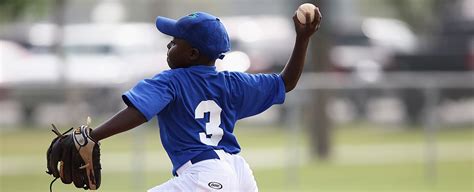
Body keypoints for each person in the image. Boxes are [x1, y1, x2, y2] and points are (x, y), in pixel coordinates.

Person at [89, 8, 321, 192]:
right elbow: (286, 82)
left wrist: (91, 136)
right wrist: (303, 39)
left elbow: (138, 111)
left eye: (175, 41)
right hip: (240, 174)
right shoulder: (233, 83)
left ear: (192, 53)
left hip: (204, 175)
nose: (169, 45)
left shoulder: (171, 81)